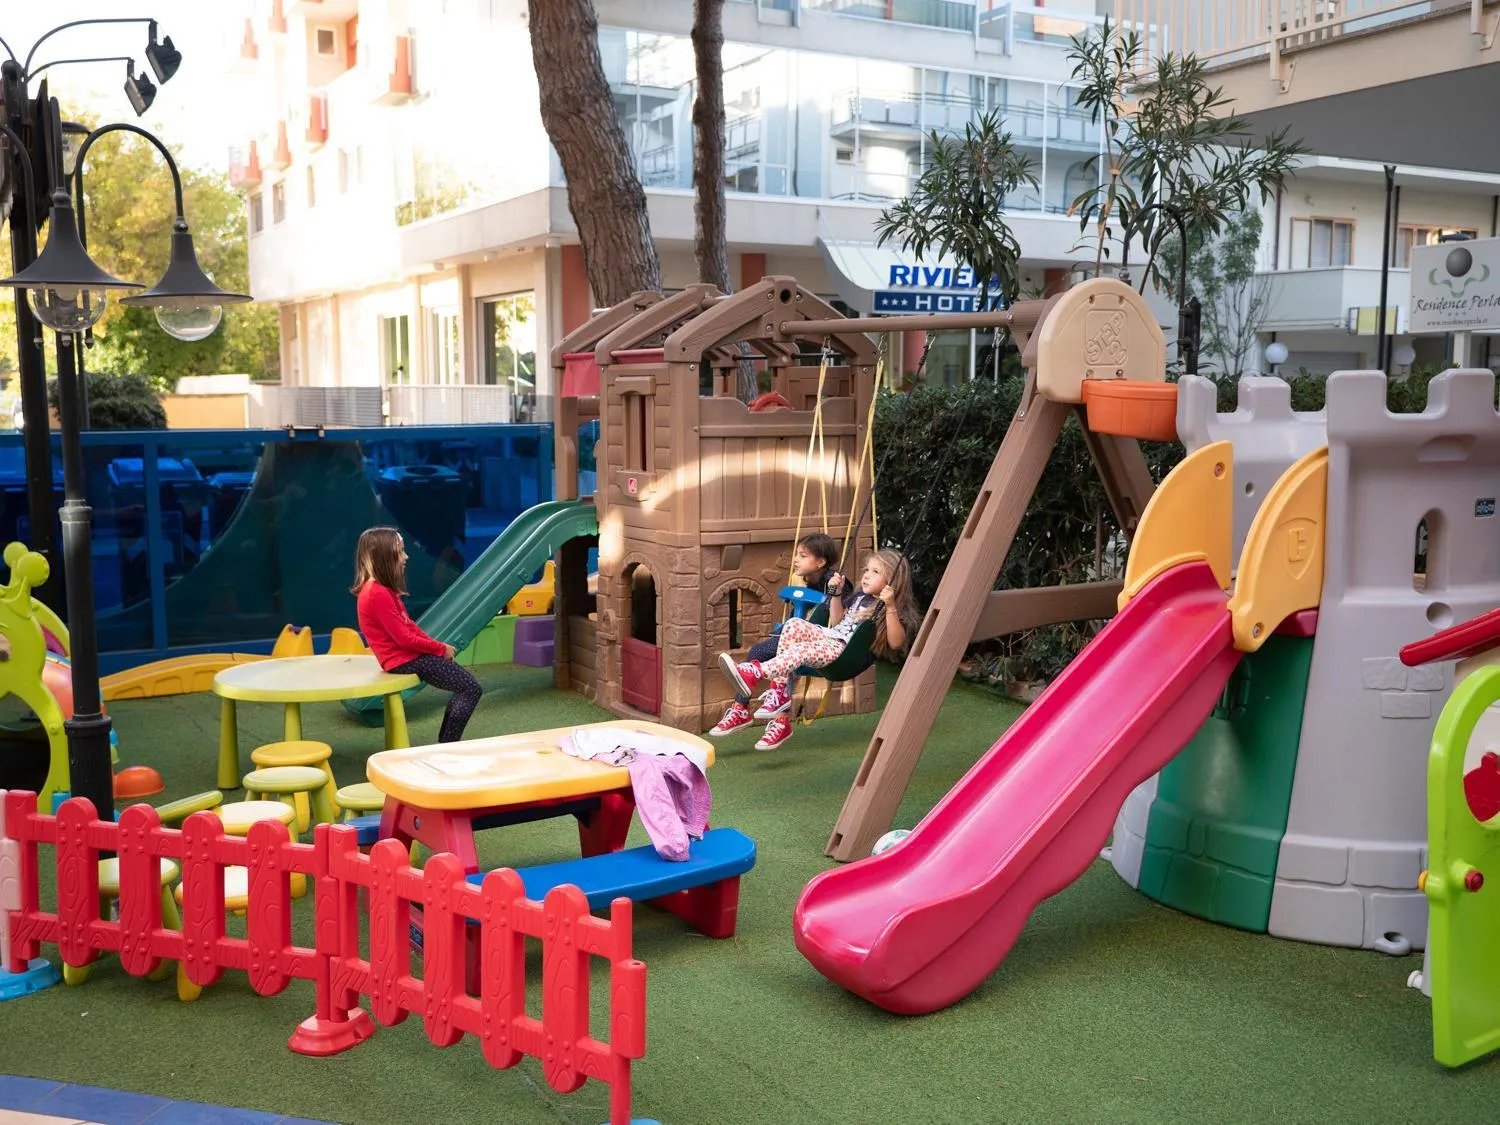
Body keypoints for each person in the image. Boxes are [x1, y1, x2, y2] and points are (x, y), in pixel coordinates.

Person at [717, 549, 920, 751]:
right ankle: (779, 694)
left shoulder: (887, 608)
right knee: (794, 624)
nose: (866, 574)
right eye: (867, 569)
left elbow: (895, 642)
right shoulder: (860, 598)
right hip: (831, 636)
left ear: (894, 580)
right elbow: (837, 619)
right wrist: (836, 595)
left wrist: (891, 606)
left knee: (802, 650)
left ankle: (756, 672)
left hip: (843, 652)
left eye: (876, 572)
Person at [352, 526, 482, 743]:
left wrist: (437, 647)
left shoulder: (382, 590)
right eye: (400, 551)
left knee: (467, 687)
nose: (406, 556)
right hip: (404, 660)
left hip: (408, 657)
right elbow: (404, 638)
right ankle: (447, 744)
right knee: (470, 689)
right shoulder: (376, 593)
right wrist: (440, 649)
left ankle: (447, 743)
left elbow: (409, 626)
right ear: (384, 556)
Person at [708, 532, 840, 741]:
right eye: (797, 554)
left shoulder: (835, 582)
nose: (796, 559)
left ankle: (773, 718)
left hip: (820, 642)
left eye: (803, 556)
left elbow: (838, 617)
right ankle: (743, 709)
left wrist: (835, 591)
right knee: (761, 652)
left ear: (821, 562)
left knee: (773, 655)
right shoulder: (807, 580)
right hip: (798, 635)